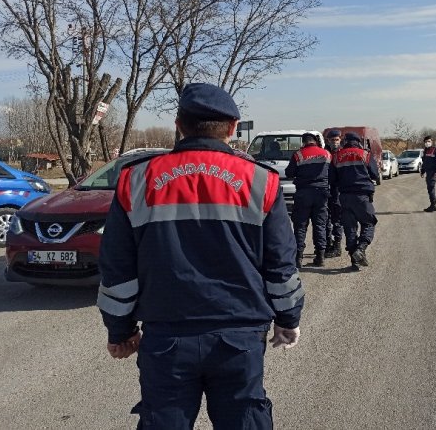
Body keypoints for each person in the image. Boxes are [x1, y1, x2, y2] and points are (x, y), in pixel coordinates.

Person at [97, 82, 303, 429]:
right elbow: (281, 265)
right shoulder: (261, 181)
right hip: (239, 337)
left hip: (166, 337)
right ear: (234, 128)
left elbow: (117, 267)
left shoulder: (136, 179)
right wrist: (288, 318)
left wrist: (121, 330)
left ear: (179, 124)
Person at [331, 132, 379, 271]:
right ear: (358, 142)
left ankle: (355, 261)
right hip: (362, 196)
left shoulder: (337, 157)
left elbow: (332, 179)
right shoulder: (365, 154)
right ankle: (361, 248)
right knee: (369, 223)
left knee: (350, 228)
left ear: (345, 141)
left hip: (344, 197)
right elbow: (375, 175)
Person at [285, 132, 332, 268]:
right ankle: (320, 257)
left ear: (303, 142)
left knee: (300, 225)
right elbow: (332, 172)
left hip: (303, 194)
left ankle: (298, 258)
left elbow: (289, 172)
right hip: (321, 193)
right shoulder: (326, 154)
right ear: (315, 141)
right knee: (320, 225)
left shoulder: (298, 155)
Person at [324, 128, 344, 258]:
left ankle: (337, 245)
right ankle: (328, 243)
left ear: (340, 140)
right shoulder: (325, 153)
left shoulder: (343, 153)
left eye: (337, 140)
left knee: (337, 219)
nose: (335, 142)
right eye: (332, 140)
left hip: (337, 190)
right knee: (326, 219)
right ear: (328, 141)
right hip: (325, 190)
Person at [420, 135, 436, 212]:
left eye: (429, 141)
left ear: (432, 142)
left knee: (431, 188)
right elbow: (424, 162)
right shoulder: (425, 151)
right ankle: (433, 204)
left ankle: (433, 205)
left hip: (433, 172)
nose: (427, 143)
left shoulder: (435, 150)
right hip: (428, 173)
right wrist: (422, 171)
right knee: (429, 188)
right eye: (426, 142)